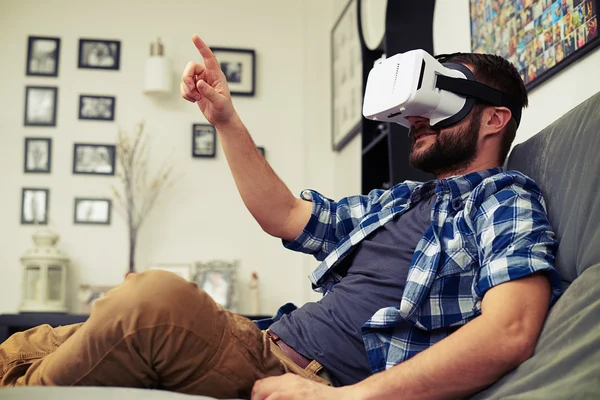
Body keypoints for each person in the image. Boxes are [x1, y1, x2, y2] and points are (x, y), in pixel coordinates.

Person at [0, 34, 561, 400]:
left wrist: (342, 399)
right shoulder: (398, 201)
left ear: (494, 119)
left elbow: (509, 329)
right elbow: (286, 213)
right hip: (256, 338)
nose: (416, 118)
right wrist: (223, 118)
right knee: (24, 348)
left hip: (301, 376)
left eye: (438, 100)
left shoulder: (503, 196)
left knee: (150, 304)